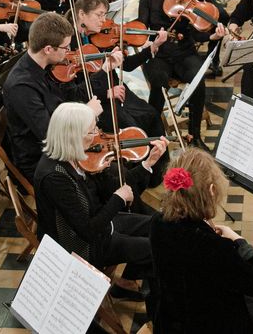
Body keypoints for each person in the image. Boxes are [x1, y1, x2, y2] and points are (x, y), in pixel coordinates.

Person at [33, 102, 167, 300]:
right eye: (90, 132)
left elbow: (114, 187)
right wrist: (118, 199)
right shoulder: (55, 177)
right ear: (72, 136)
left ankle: (127, 282)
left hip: (103, 223)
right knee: (155, 248)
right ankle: (157, 302)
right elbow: (88, 231)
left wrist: (148, 164)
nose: (95, 135)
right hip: (82, 246)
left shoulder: (76, 155)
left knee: (160, 224)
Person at [150, 148, 253, 333]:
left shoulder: (157, 222)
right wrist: (240, 242)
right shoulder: (217, 247)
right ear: (211, 190)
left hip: (168, 320)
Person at [2, 12, 120, 180]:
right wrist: (87, 112)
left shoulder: (48, 66)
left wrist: (105, 69)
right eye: (66, 47)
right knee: (113, 175)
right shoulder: (21, 87)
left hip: (65, 142)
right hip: (44, 161)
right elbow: (49, 134)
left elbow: (74, 94)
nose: (69, 52)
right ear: (48, 49)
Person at [138, 0, 226, 149]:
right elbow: (142, 27)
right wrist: (150, 41)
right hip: (158, 54)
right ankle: (155, 137)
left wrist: (212, 37)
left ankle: (194, 135)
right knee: (159, 84)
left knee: (198, 80)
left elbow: (196, 33)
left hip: (183, 52)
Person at [68, 0, 166, 138]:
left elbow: (126, 65)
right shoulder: (68, 42)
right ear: (82, 14)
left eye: (105, 15)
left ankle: (157, 159)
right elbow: (74, 90)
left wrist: (151, 48)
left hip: (114, 87)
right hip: (96, 99)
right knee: (134, 129)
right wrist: (106, 93)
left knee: (152, 115)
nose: (103, 20)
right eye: (99, 15)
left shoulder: (98, 36)